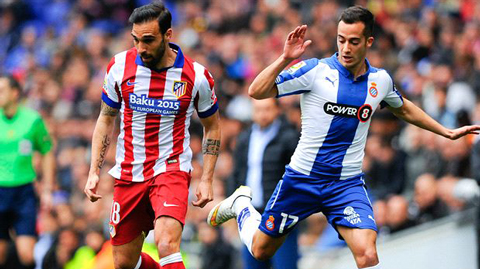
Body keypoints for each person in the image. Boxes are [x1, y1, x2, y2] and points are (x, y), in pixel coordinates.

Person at [207, 6, 480, 269]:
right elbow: (257, 91)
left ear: (368, 41)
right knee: (260, 250)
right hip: (303, 179)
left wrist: (444, 131)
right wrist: (285, 58)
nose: (345, 48)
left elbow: (403, 107)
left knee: (367, 254)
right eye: (341, 40)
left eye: (353, 41)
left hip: (345, 184)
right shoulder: (315, 71)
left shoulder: (380, 81)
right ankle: (241, 206)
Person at [84, 2, 221, 269]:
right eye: (136, 40)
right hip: (128, 172)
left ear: (168, 35)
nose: (141, 48)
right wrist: (93, 170)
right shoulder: (119, 67)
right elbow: (105, 119)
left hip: (171, 169)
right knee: (125, 263)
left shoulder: (196, 76)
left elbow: (213, 126)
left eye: (148, 40)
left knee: (166, 243)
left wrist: (207, 179)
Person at [228, 98, 299, 269]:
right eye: (258, 110)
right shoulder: (245, 138)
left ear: (277, 110)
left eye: (267, 109)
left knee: (285, 265)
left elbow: (296, 178)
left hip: (280, 214)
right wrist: (234, 205)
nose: (262, 114)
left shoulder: (289, 137)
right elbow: (237, 173)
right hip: (251, 213)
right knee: (253, 263)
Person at [0, 75, 55, 269]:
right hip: (0, 189)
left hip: (23, 191)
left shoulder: (32, 120)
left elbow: (47, 151)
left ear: (15, 93)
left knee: (26, 254)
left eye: (2, 90)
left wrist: (48, 188)